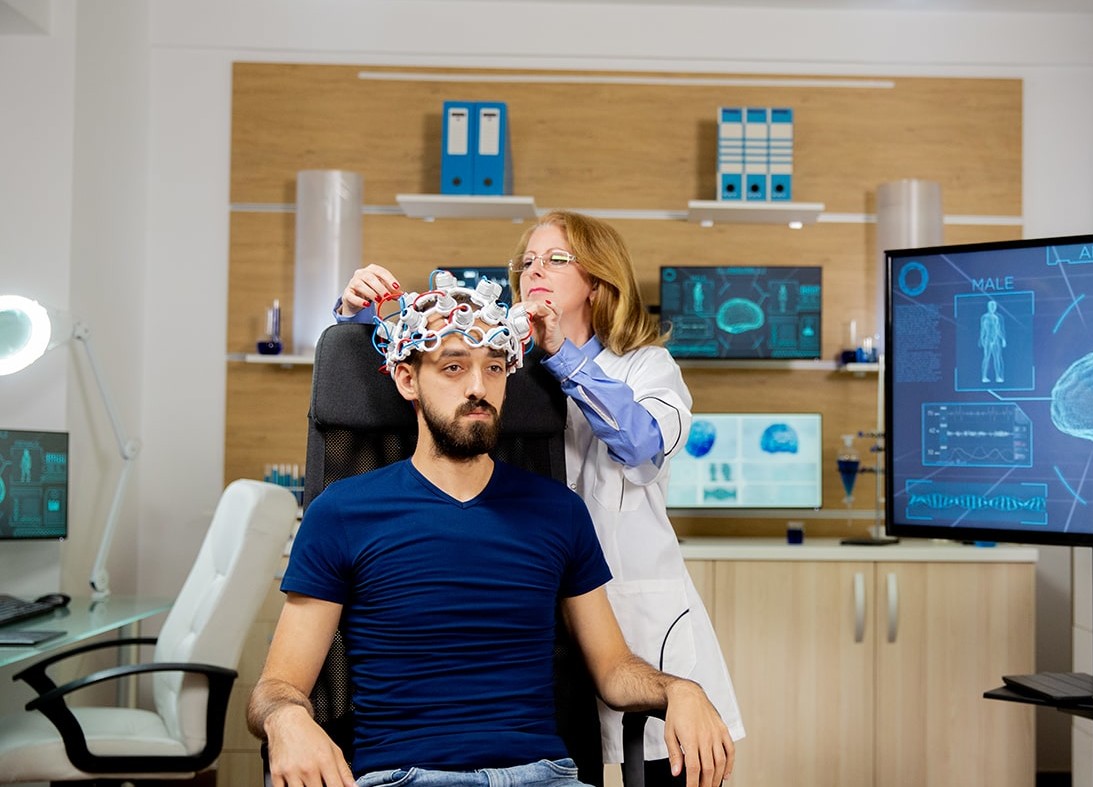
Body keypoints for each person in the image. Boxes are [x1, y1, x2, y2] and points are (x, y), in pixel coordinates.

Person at [248, 294, 734, 787]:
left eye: (495, 369)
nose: (478, 387)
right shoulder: (343, 512)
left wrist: (681, 689)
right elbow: (276, 687)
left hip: (544, 776)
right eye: (454, 367)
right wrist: (286, 718)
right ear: (407, 379)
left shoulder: (559, 511)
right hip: (407, 777)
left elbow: (614, 670)